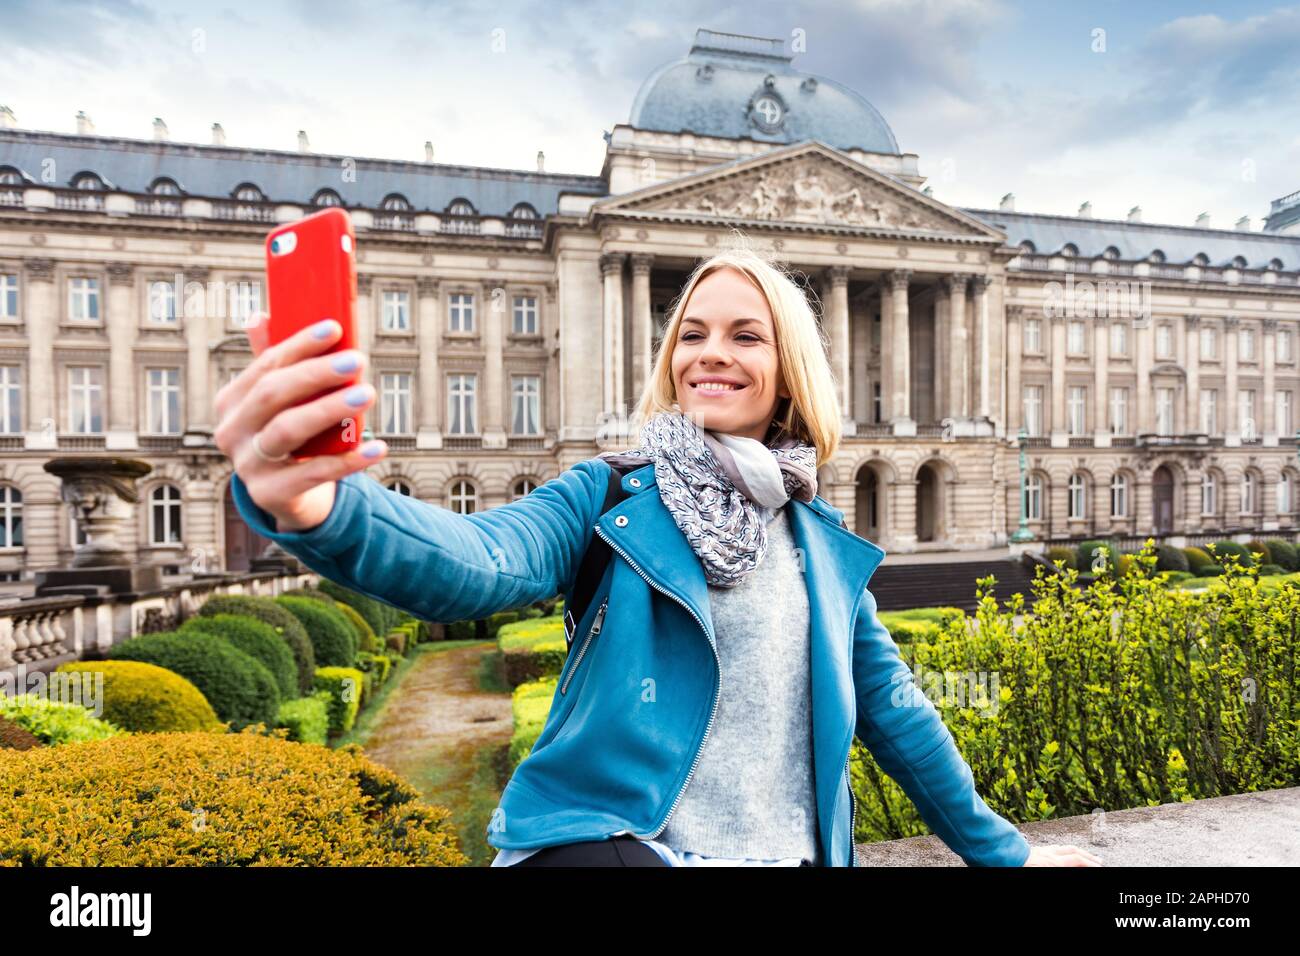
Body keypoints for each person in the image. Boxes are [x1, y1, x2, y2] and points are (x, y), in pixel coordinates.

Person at [216, 243, 1102, 868]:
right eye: (692, 332)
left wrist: (1007, 855)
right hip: (618, 850)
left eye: (745, 335)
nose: (710, 353)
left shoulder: (816, 543)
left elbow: (898, 715)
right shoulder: (611, 493)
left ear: (789, 369)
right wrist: (322, 505)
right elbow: (480, 559)